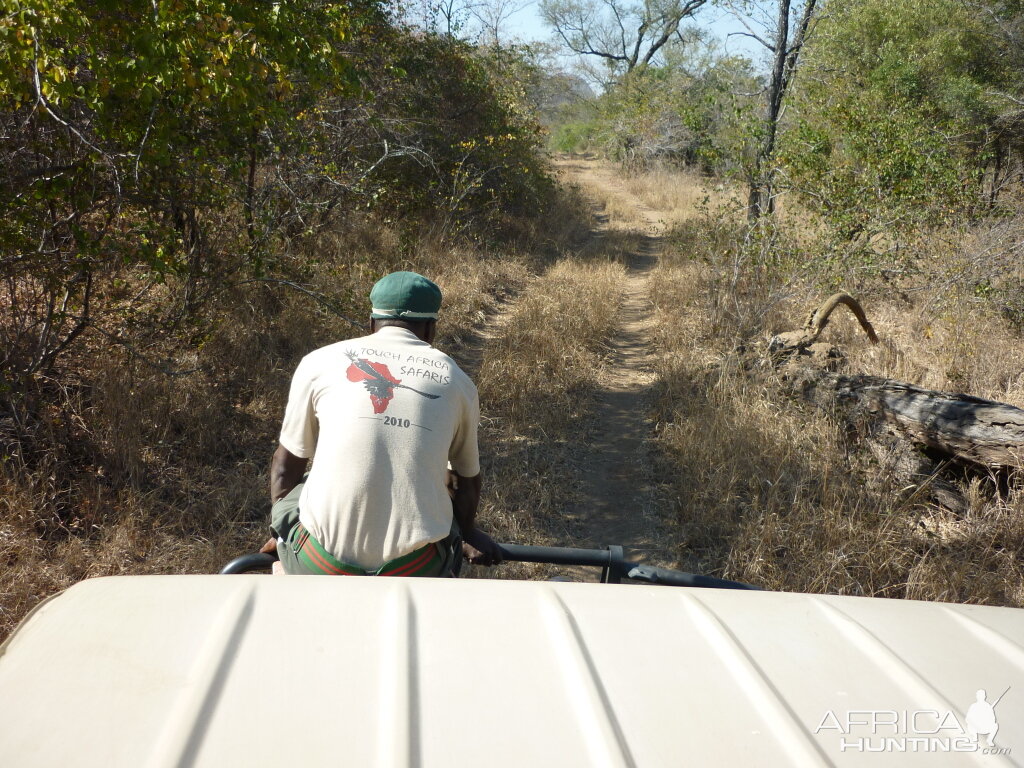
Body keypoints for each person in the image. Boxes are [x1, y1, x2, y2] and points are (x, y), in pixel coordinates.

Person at [261, 270, 503, 576]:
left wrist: (281, 528)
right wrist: (468, 531)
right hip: (414, 568)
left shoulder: (318, 361)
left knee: (303, 485)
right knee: (445, 482)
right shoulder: (457, 380)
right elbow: (468, 482)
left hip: (321, 564)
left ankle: (284, 568)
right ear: (430, 328)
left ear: (372, 322)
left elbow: (285, 467)